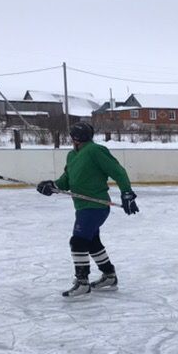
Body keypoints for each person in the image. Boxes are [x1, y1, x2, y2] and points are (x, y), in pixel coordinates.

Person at [36, 121, 139, 297]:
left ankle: (82, 282)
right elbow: (67, 181)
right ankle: (109, 276)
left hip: (96, 206)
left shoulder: (95, 151)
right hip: (82, 206)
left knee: (78, 241)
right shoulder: (72, 155)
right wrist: (51, 186)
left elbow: (118, 172)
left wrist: (127, 193)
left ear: (74, 137)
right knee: (92, 242)